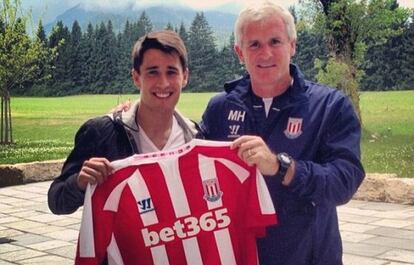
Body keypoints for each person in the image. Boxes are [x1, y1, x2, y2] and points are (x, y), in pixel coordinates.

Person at [200, 1, 365, 265]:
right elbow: (189, 161)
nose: (265, 54)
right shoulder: (220, 108)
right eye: (254, 44)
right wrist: (134, 115)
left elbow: (344, 182)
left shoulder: (330, 106)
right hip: (239, 256)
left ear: (292, 45)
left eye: (275, 41)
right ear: (239, 52)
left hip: (310, 257)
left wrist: (281, 167)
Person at [48, 30, 200, 215]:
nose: (163, 83)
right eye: (153, 72)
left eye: (171, 72)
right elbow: (56, 201)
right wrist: (79, 183)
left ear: (185, 76)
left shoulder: (196, 137)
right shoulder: (101, 132)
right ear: (136, 77)